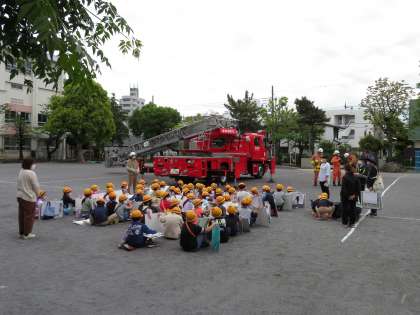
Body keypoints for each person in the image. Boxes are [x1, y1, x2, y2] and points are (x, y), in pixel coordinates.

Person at [17, 158, 41, 239]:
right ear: (30, 164)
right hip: (28, 197)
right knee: (29, 216)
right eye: (33, 163)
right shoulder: (31, 173)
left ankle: (21, 232)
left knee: (22, 215)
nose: (34, 165)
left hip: (20, 196)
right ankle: (27, 233)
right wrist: (39, 195)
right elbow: (35, 186)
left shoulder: (21, 171)